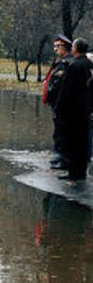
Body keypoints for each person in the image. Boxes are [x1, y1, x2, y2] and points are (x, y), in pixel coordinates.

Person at [54, 37, 93, 181]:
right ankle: (81, 171)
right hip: (86, 109)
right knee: (83, 142)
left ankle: (73, 172)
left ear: (75, 49)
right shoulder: (89, 64)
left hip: (73, 111)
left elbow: (66, 91)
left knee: (72, 142)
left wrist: (59, 108)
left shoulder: (74, 66)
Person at [43, 35, 73, 169]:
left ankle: (64, 158)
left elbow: (58, 84)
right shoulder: (59, 62)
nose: (55, 49)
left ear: (65, 47)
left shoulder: (67, 63)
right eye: (54, 46)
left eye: (58, 46)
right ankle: (60, 155)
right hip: (56, 102)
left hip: (61, 103)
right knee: (58, 131)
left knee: (62, 132)